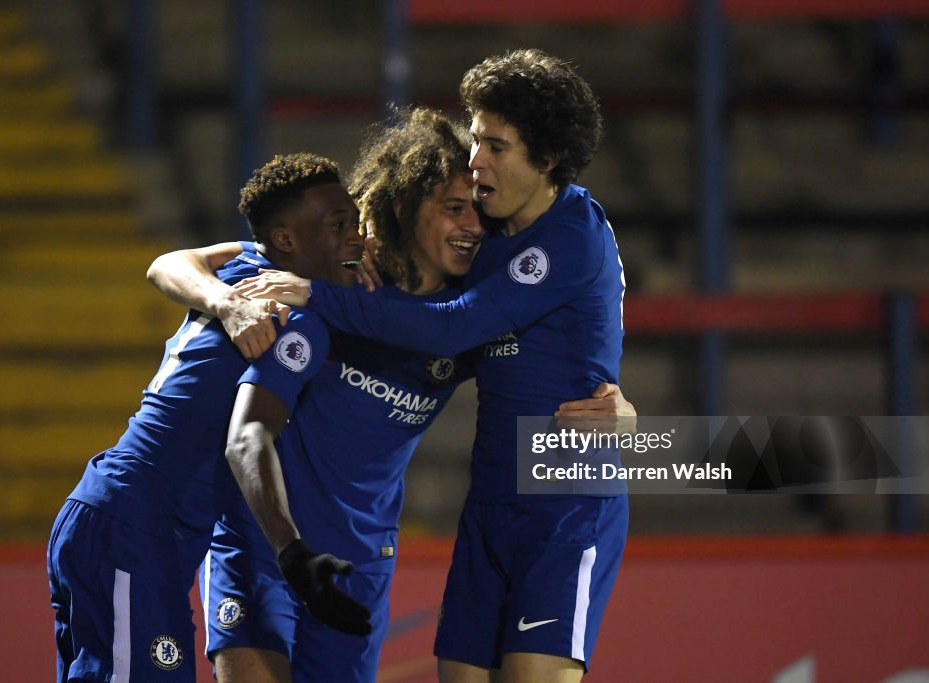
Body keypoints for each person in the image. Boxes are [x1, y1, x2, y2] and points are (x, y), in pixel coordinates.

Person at [148, 107, 634, 683]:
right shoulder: (332, 278)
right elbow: (178, 262)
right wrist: (226, 303)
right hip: (263, 546)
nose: (473, 227)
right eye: (454, 209)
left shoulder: (471, 318)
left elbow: (547, 366)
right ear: (403, 207)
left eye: (477, 212)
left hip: (362, 562)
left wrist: (622, 412)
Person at [46, 153, 368, 683]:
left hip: (114, 513)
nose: (356, 238)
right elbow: (246, 441)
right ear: (286, 241)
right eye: (339, 226)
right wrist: (293, 554)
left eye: (355, 223)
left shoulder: (243, 262)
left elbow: (168, 262)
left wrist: (222, 299)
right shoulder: (295, 321)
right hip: (137, 526)